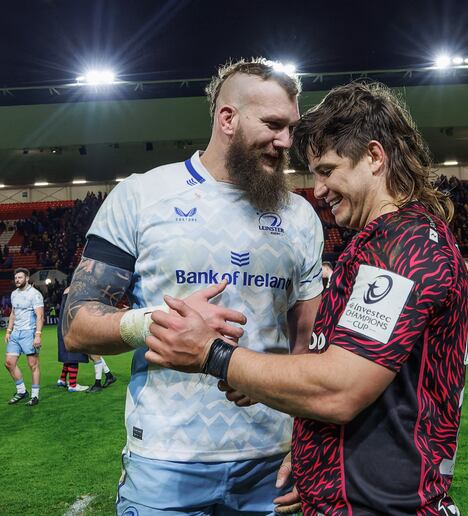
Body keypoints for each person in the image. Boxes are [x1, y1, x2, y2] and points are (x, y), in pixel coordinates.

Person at [144, 81, 468, 514]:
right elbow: (344, 368)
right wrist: (306, 440)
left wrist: (212, 354)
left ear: (375, 157)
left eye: (328, 170)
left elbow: (340, 389)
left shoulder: (405, 246)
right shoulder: (383, 241)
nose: (318, 189)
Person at [62, 58, 324, 513]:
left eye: (290, 128)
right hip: (165, 458)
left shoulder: (300, 216)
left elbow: (308, 344)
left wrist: (297, 427)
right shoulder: (142, 196)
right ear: (228, 119)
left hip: (272, 462)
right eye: (273, 125)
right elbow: (76, 324)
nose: (286, 141)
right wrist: (156, 323)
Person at [5, 268, 44, 405]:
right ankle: (21, 391)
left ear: (27, 278)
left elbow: (40, 316)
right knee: (9, 363)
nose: (17, 280)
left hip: (29, 333)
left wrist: (37, 335)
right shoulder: (14, 294)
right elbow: (13, 313)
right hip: (16, 333)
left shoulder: (35, 294)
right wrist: (9, 330)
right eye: (16, 278)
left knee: (33, 365)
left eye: (20, 277)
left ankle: (35, 396)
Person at [56, 286, 90, 392]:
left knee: (68, 355)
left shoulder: (66, 290)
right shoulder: (78, 290)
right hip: (72, 326)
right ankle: (72, 385)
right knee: (74, 356)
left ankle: (62, 379)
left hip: (63, 325)